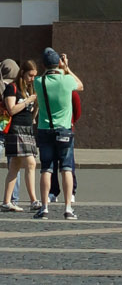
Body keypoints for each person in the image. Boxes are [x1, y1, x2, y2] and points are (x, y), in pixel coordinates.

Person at [33, 49, 81, 220]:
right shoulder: (67, 80)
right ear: (58, 63)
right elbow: (80, 85)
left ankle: (44, 207)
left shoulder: (39, 81)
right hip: (65, 130)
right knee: (66, 168)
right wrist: (66, 67)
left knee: (46, 168)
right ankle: (68, 208)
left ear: (44, 65)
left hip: (45, 130)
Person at [1, 60, 38, 215]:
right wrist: (28, 101)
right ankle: (34, 200)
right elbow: (12, 109)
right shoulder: (12, 88)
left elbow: (31, 112)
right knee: (31, 163)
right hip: (16, 129)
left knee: (15, 166)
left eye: (35, 76)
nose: (32, 79)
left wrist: (35, 108)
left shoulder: (29, 89)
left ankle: (6, 202)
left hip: (27, 129)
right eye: (30, 75)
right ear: (22, 72)